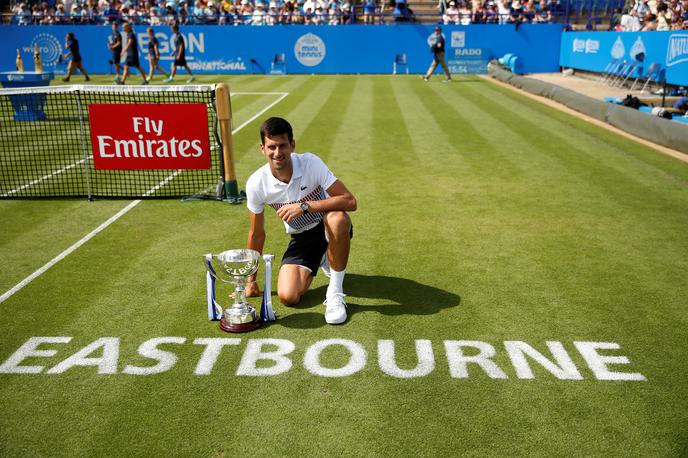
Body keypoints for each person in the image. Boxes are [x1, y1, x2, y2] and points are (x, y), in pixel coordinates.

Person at [244, 117, 357, 325]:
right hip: (302, 238)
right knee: (288, 297)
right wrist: (251, 280)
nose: (277, 153)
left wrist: (305, 206)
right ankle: (324, 257)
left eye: (282, 146)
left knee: (338, 218)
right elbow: (256, 234)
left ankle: (335, 291)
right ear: (262, 148)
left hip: (327, 226)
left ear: (292, 145)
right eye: (271, 147)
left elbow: (349, 201)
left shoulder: (310, 163)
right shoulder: (256, 183)